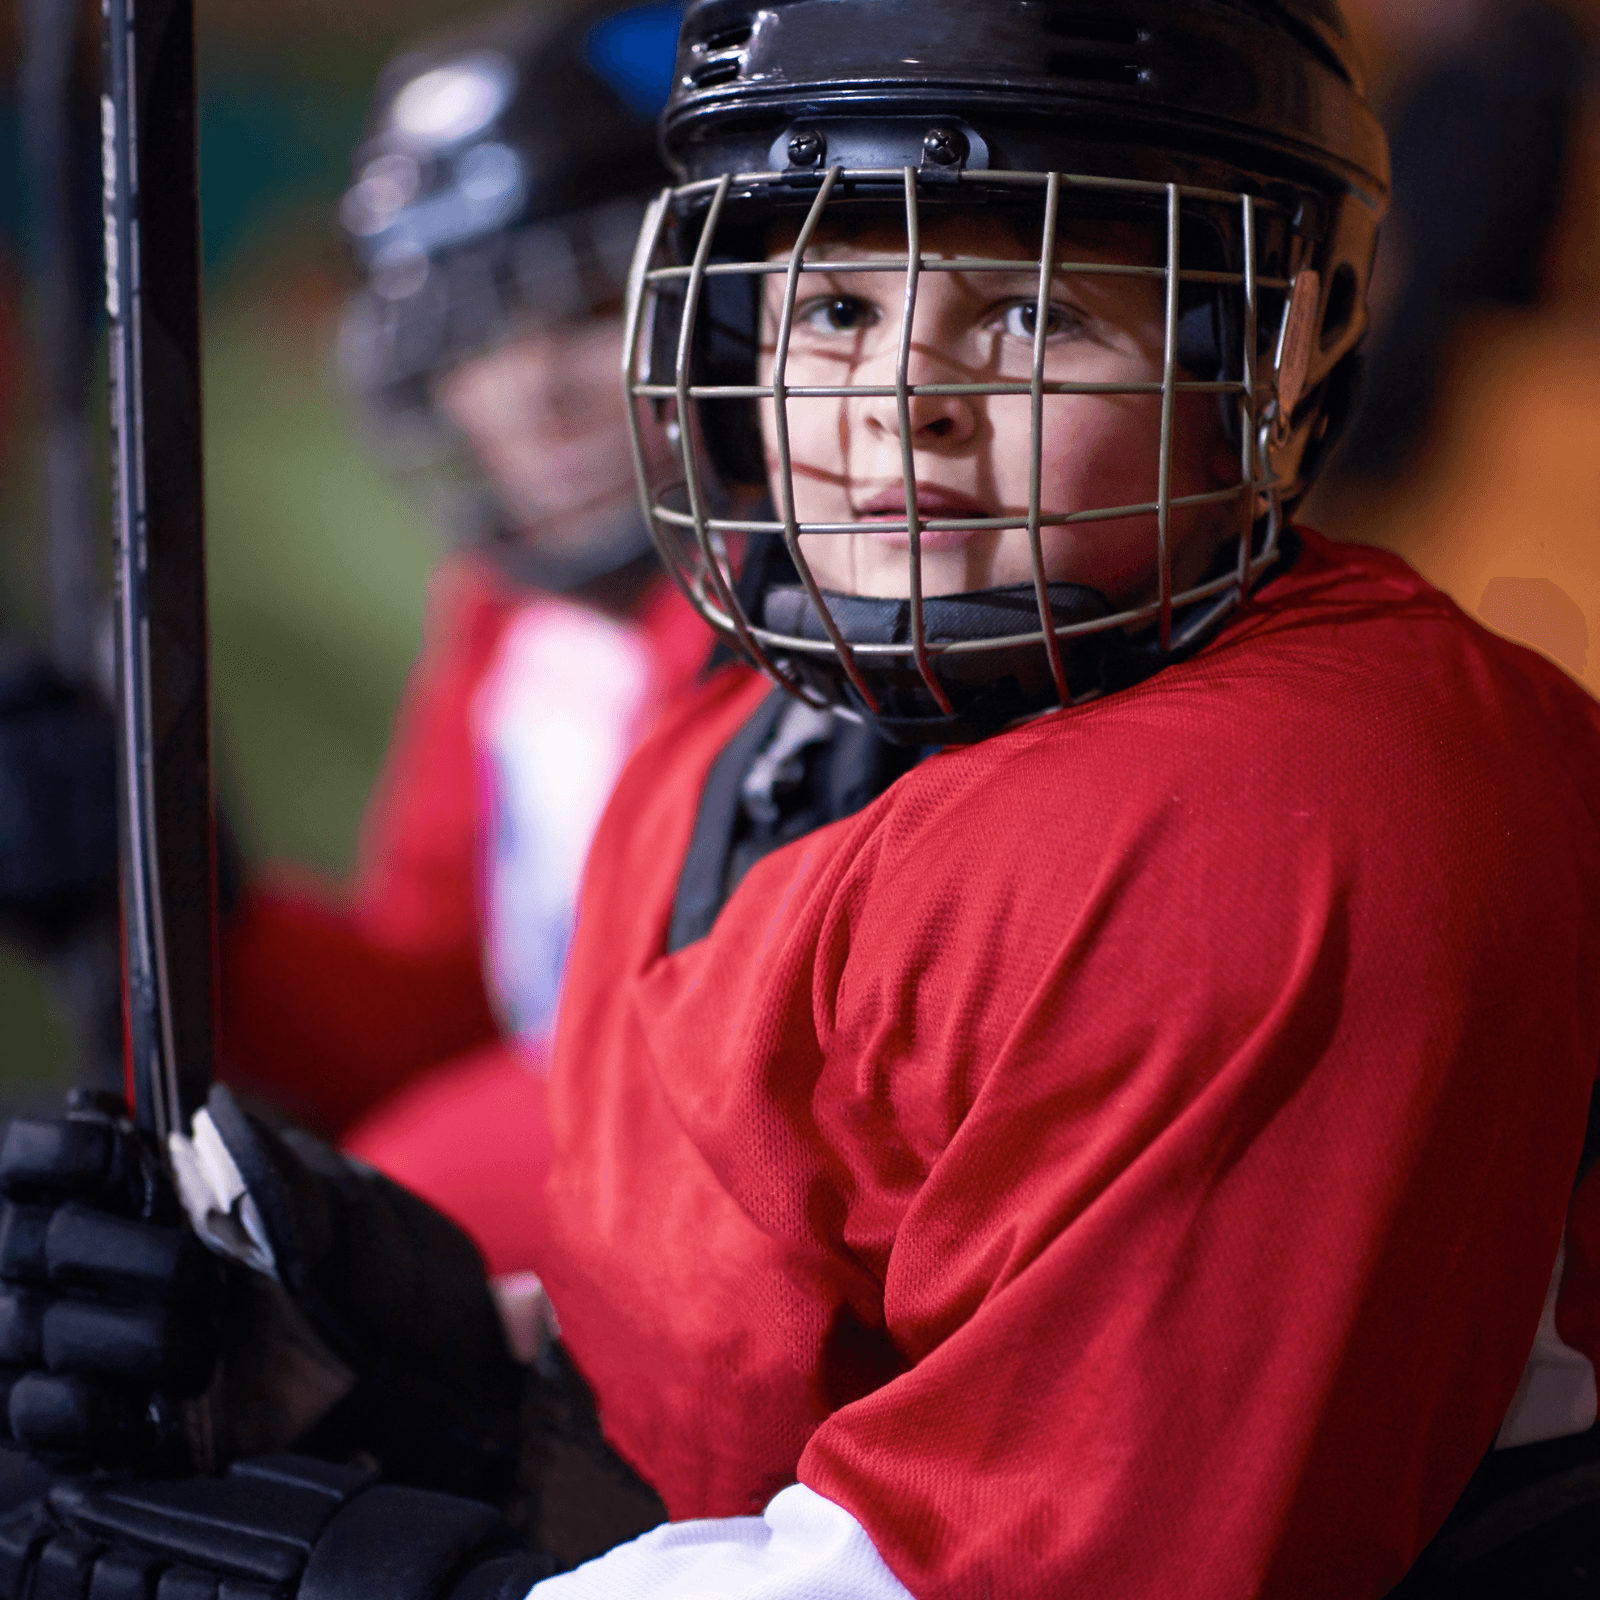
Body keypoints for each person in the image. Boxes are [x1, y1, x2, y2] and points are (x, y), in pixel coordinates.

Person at [2, 1, 1599, 1597]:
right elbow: (777, 1366)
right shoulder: (749, 729)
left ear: (1269, 350)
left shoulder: (1282, 822)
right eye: (835, 308)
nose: (904, 400)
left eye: (1035, 312)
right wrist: (432, 1373)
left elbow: (1028, 1558)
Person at [206, 0, 707, 1274]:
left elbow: (692, 1083)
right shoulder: (503, 613)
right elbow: (433, 1005)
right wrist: (188, 919)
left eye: (589, 304)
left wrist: (376, 1217)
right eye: (472, 333)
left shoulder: (802, 618)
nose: (529, 389)